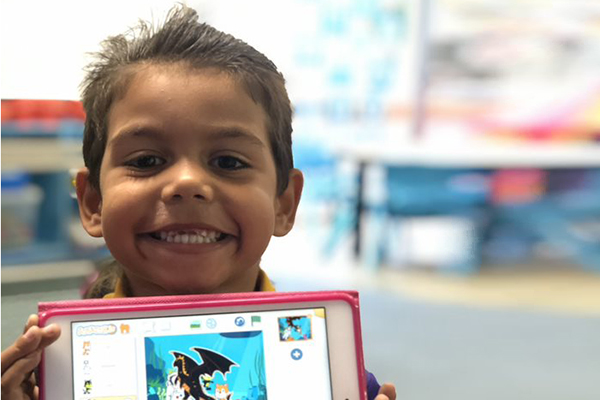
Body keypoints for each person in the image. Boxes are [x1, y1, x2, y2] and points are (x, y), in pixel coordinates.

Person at [0, 5, 396, 400]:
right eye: (146, 161)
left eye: (228, 162)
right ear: (93, 202)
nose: (187, 183)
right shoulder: (55, 375)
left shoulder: (334, 376)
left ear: (284, 203)